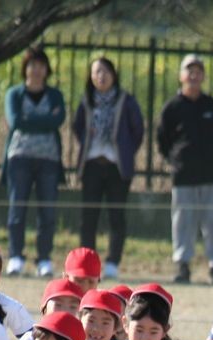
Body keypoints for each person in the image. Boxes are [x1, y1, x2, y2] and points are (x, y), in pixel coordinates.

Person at [157, 54, 213, 285]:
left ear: (204, 76)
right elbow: (163, 140)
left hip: (212, 175)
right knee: (183, 221)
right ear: (181, 76)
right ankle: (183, 265)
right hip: (184, 176)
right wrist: (176, 160)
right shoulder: (172, 108)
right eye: (189, 70)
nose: (194, 75)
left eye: (198, 70)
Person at [72, 56, 144, 280]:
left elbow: (137, 130)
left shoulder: (126, 100)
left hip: (116, 166)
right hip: (92, 163)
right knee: (89, 216)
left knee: (116, 216)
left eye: (105, 72)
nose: (100, 76)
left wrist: (124, 149)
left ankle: (113, 261)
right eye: (96, 72)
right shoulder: (86, 100)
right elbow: (77, 127)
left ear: (114, 74)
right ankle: (87, 263)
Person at [2, 46, 65, 278]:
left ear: (47, 69)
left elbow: (58, 120)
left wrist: (34, 120)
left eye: (41, 66)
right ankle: (16, 256)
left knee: (47, 212)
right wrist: (44, 120)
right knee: (17, 209)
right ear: (25, 69)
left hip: (49, 159)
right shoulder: (14, 94)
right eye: (32, 65)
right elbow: (16, 121)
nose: (36, 70)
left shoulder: (55, 95)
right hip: (19, 158)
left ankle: (44, 258)